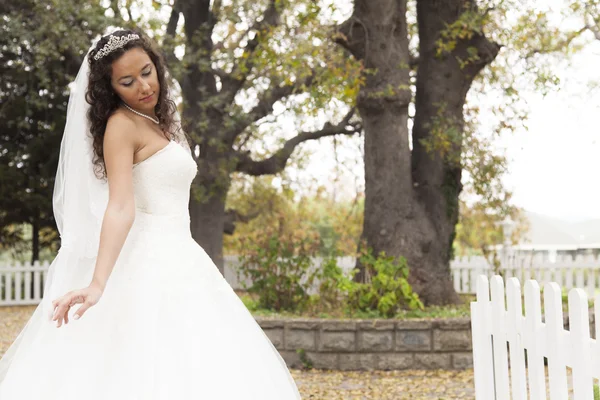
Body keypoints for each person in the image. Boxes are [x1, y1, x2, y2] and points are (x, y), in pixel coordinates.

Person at [0, 29, 301, 399]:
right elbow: (121, 205)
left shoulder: (164, 121)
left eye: (146, 72)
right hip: (146, 260)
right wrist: (97, 284)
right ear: (111, 89)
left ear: (157, 66)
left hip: (184, 257)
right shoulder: (121, 126)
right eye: (127, 81)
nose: (143, 86)